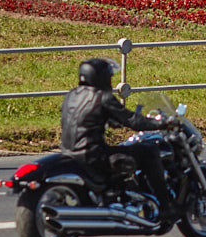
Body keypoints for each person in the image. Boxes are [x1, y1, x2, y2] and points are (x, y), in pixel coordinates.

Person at [60, 57, 178, 222]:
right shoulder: (102, 97)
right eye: (108, 77)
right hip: (94, 157)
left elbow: (84, 118)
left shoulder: (71, 96)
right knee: (148, 151)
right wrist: (163, 123)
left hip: (68, 155)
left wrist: (111, 120)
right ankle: (166, 207)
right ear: (101, 78)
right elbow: (134, 121)